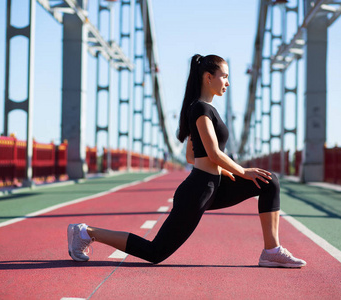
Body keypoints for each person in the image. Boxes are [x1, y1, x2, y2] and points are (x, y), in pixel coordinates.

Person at [67, 54, 306, 268]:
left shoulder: (205, 109)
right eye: (224, 77)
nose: (228, 82)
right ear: (208, 77)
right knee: (155, 252)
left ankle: (271, 251)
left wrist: (225, 172)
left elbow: (193, 156)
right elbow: (212, 154)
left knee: (269, 181)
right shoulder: (200, 110)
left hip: (213, 185)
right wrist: (242, 171)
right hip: (199, 190)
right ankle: (86, 232)